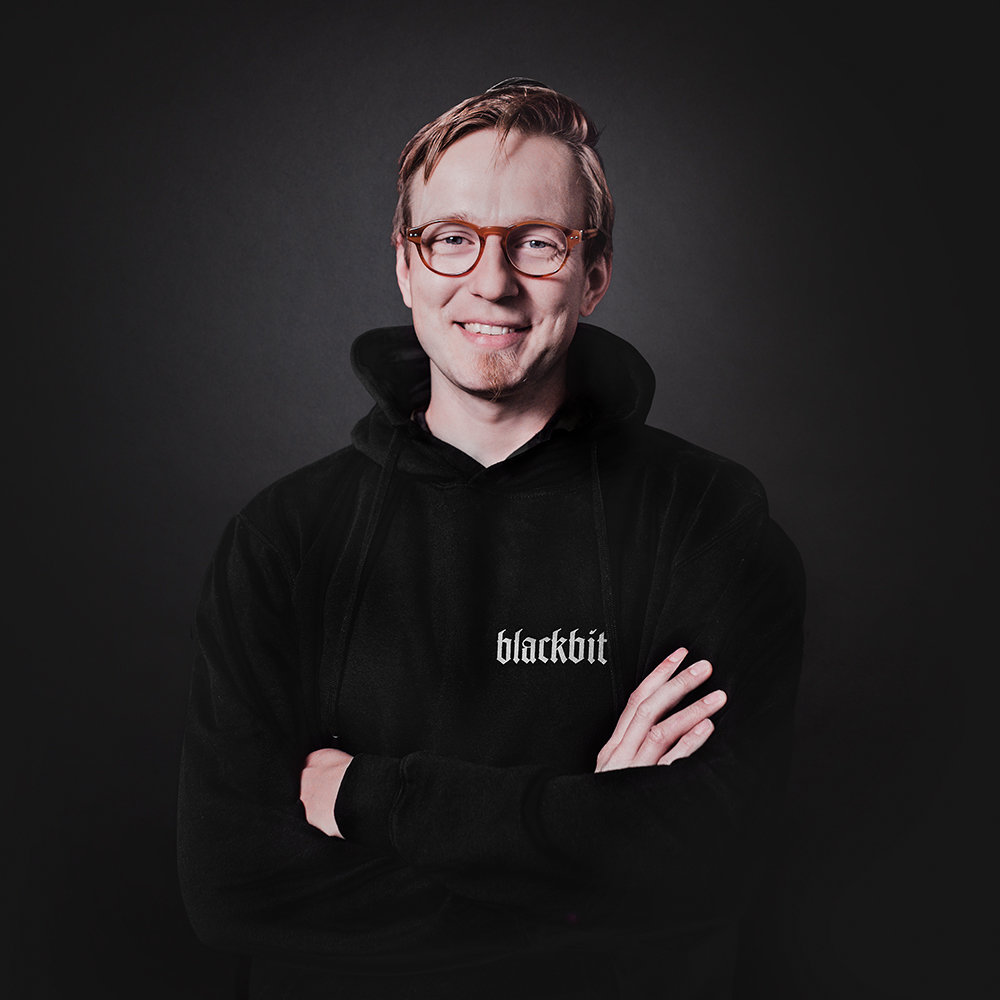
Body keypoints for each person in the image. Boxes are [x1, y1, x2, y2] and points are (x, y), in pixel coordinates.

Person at [178, 78, 805, 999]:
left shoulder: (706, 519)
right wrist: (598, 839)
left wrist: (366, 798)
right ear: (406, 265)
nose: (492, 281)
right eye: (452, 238)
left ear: (595, 274)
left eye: (538, 242)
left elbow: (716, 861)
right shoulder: (283, 539)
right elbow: (233, 889)